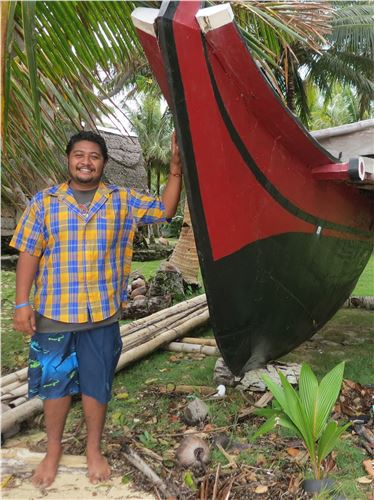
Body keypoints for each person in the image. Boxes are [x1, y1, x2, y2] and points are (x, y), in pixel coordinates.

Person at [10, 130, 182, 488]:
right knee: (55, 386)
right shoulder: (43, 203)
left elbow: (164, 210)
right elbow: (29, 252)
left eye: (94, 156)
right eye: (79, 155)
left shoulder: (121, 200)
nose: (86, 161)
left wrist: (177, 170)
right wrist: (22, 303)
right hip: (53, 315)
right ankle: (53, 449)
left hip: (101, 315)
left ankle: (93, 449)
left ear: (104, 163)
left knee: (96, 385)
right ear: (68, 159)